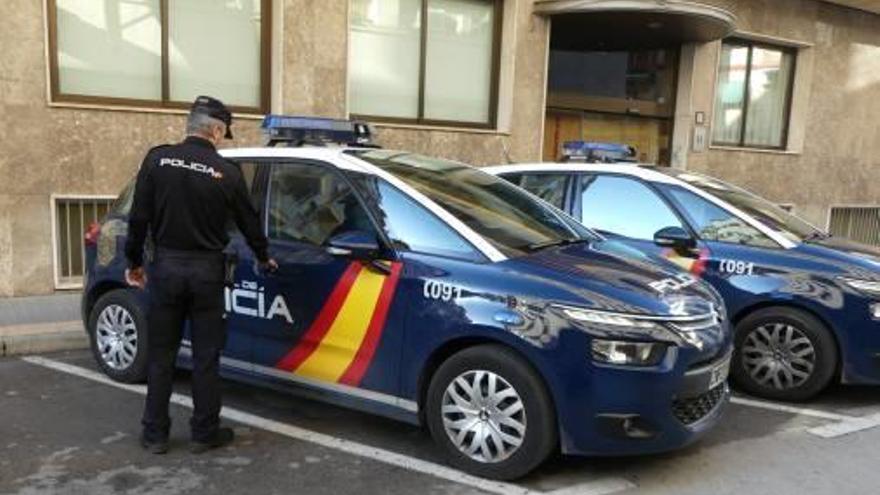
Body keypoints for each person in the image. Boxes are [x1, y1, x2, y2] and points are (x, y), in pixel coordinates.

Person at [124, 95, 277, 454]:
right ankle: (204, 432)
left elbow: (138, 218)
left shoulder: (157, 159)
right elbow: (249, 222)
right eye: (225, 134)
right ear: (217, 129)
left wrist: (134, 262)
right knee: (206, 357)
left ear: (191, 125)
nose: (224, 140)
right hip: (207, 274)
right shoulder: (226, 172)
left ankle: (155, 434)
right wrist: (264, 256)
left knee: (162, 355)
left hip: (166, 270)